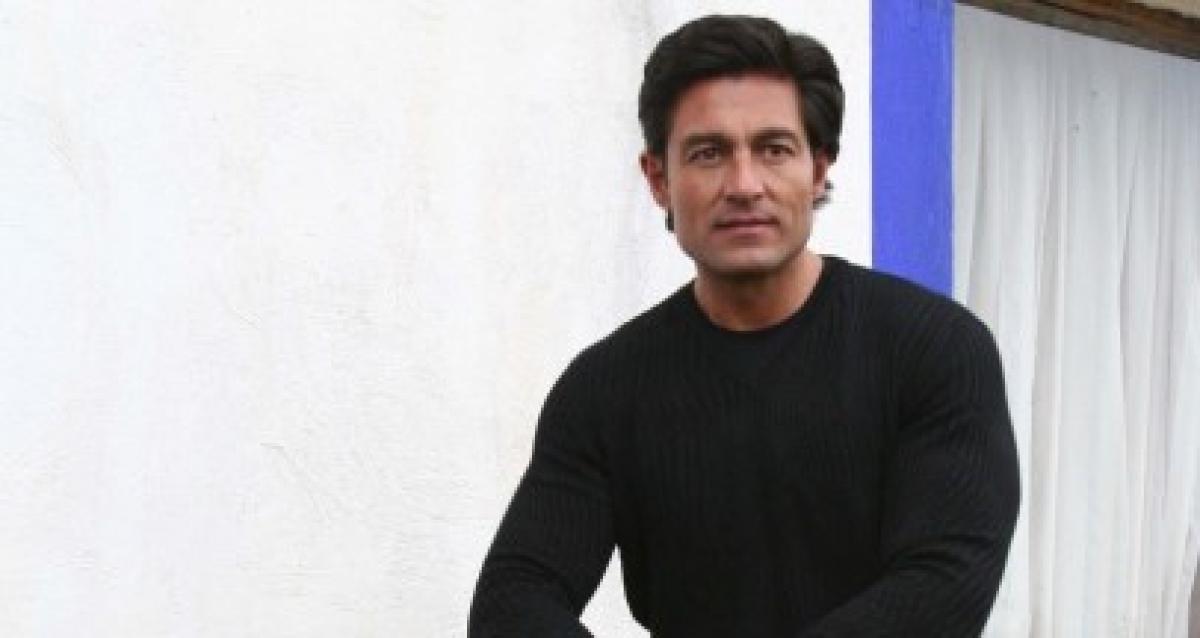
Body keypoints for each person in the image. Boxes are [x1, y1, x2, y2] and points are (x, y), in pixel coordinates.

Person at [469, 14, 1019, 637]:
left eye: (774, 149)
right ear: (658, 179)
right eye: (708, 154)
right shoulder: (606, 390)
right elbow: (515, 598)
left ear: (818, 169)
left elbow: (942, 584)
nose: (744, 184)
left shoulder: (933, 351)